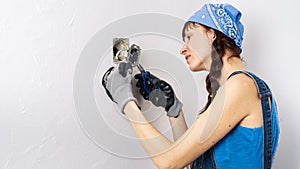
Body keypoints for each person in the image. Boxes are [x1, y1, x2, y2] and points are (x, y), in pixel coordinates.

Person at [102, 3, 280, 169]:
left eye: (190, 38)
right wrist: (173, 109)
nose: (182, 49)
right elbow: (186, 162)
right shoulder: (237, 88)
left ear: (211, 34)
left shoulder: (241, 86)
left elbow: (168, 162)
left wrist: (125, 99)